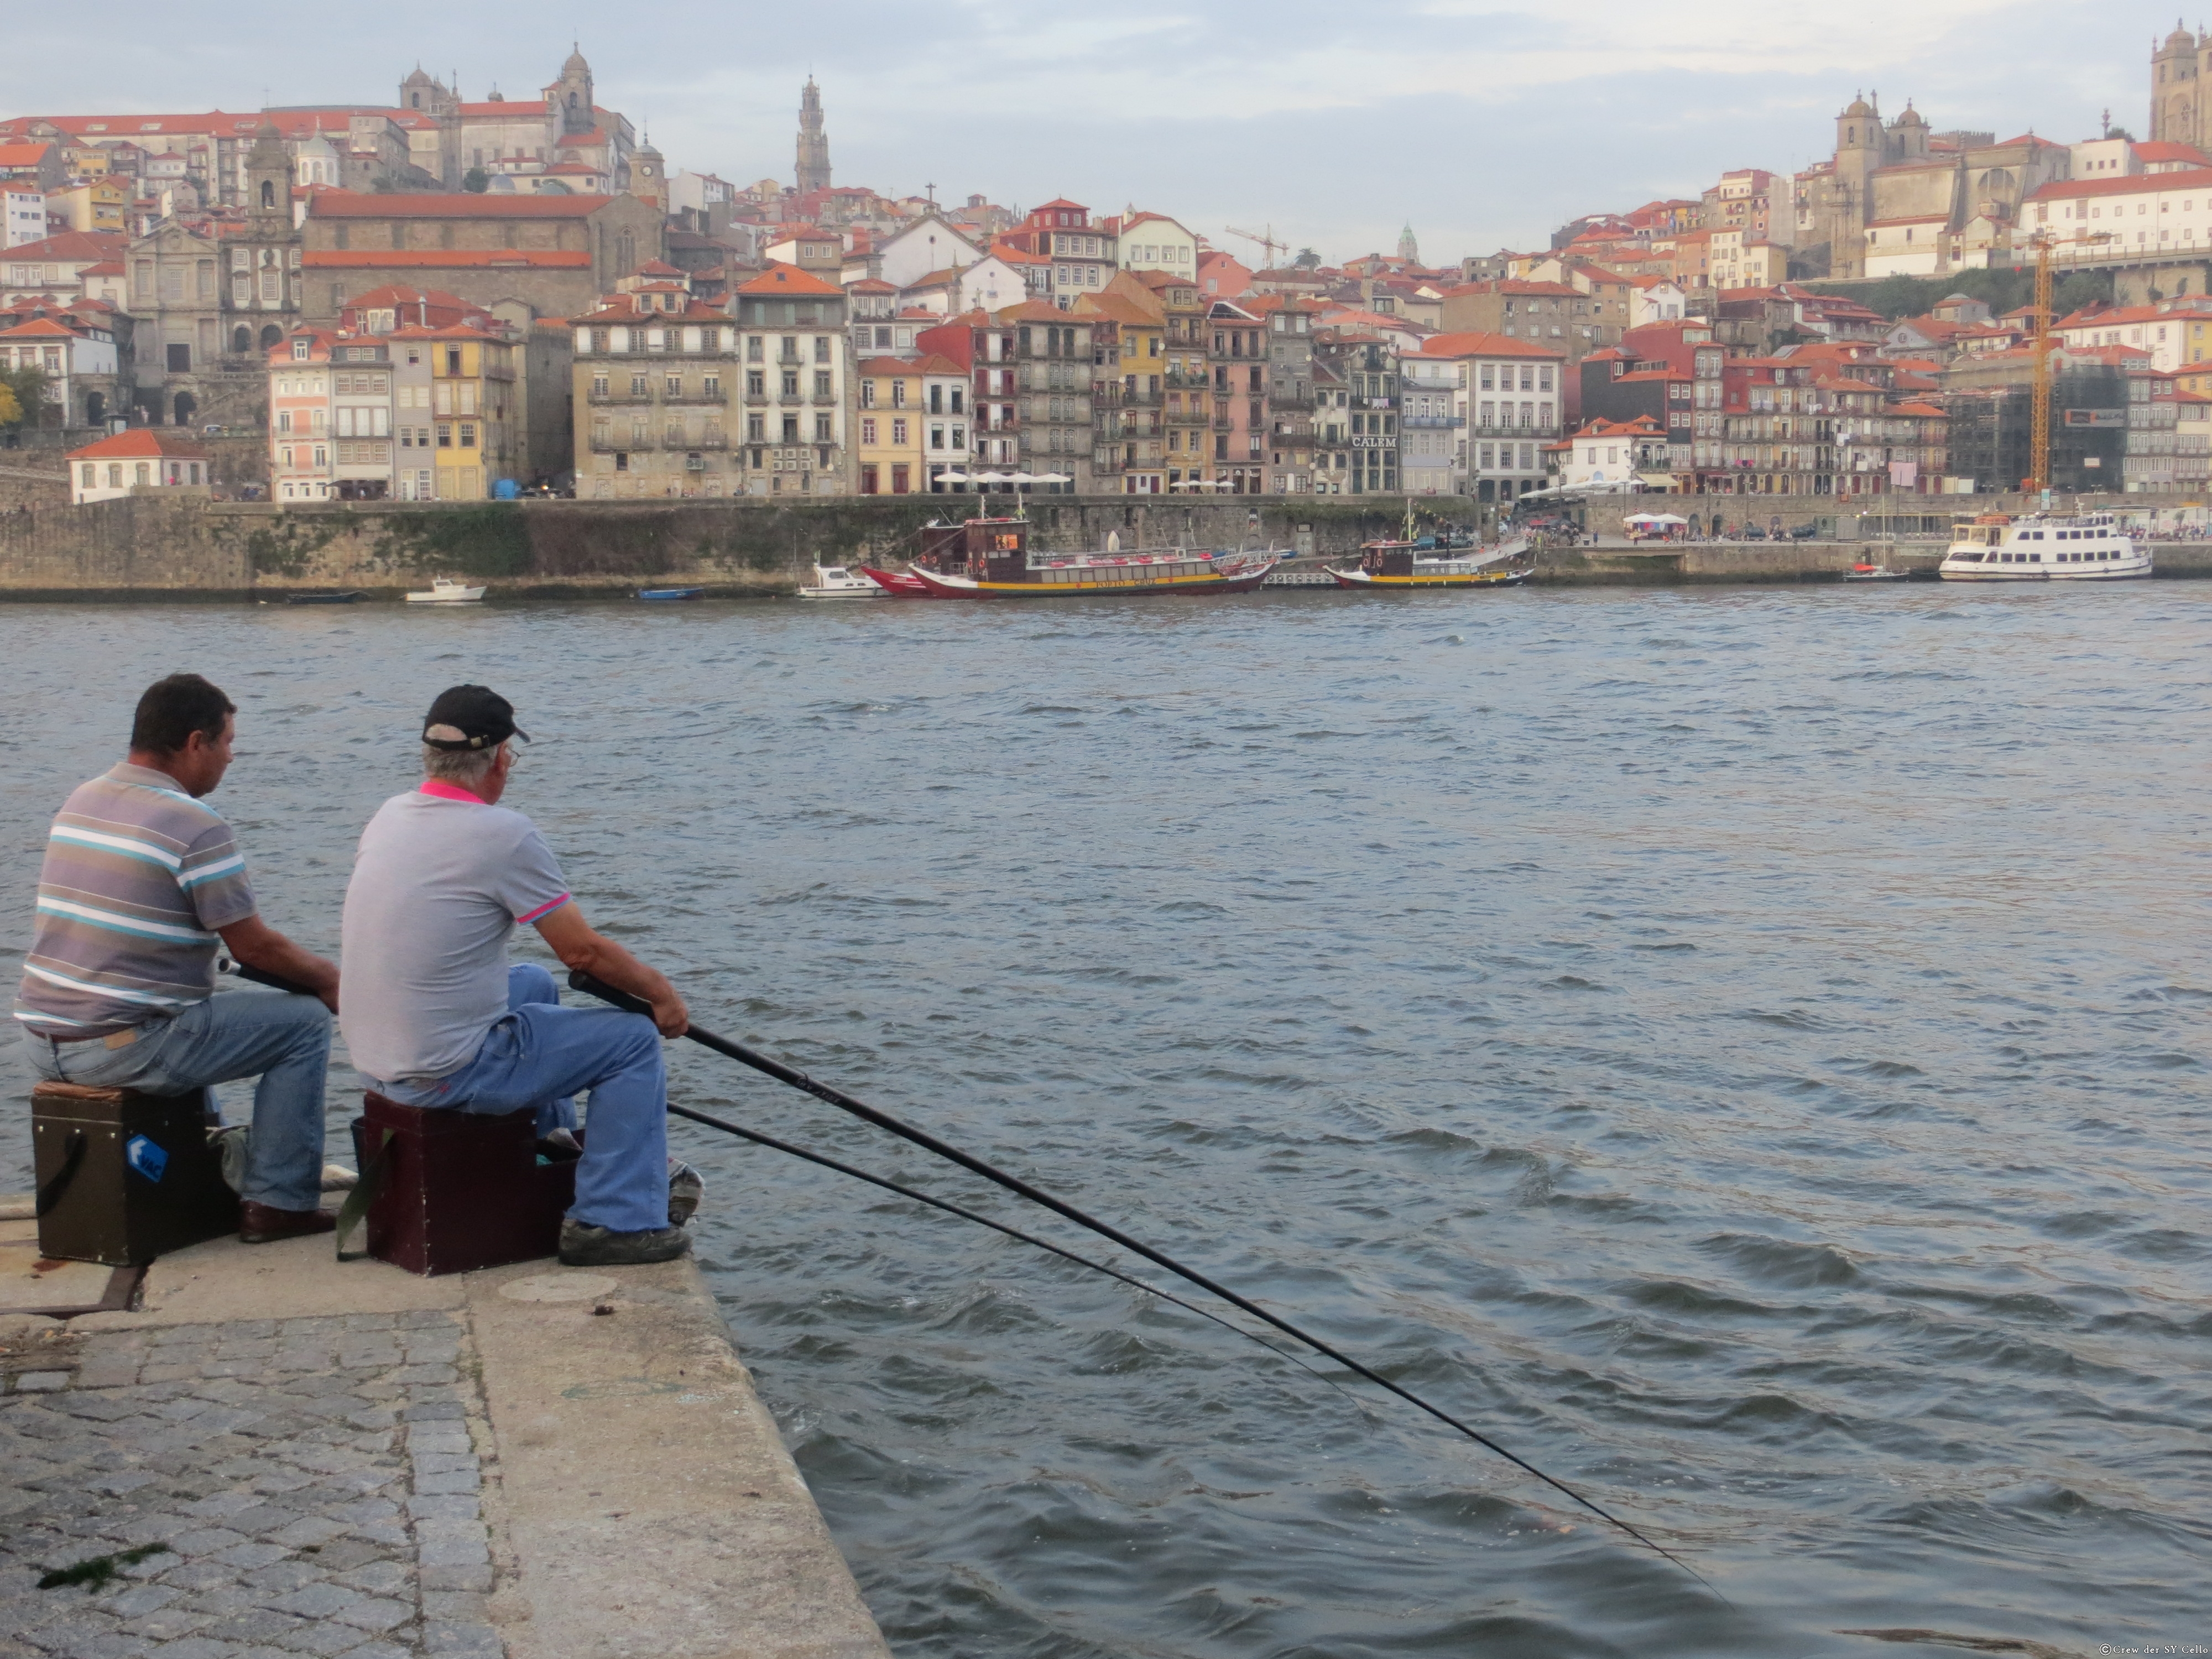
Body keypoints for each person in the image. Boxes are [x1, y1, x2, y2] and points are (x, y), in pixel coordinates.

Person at [337, 686, 694, 1267]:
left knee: (529, 981)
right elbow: (582, 953)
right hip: (441, 1070)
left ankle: (545, 1148)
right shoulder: (503, 834)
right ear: (501, 758)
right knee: (631, 1042)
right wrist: (660, 995)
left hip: (377, 1059)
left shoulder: (388, 815)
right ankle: (614, 1222)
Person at [16, 674, 341, 1242]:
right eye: (228, 742)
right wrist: (333, 981)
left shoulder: (83, 797)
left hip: (44, 1040)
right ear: (196, 743)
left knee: (197, 1014)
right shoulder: (195, 826)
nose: (231, 757)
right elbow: (255, 947)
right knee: (305, 1026)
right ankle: (279, 1203)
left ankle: (204, 1173)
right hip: (118, 1047)